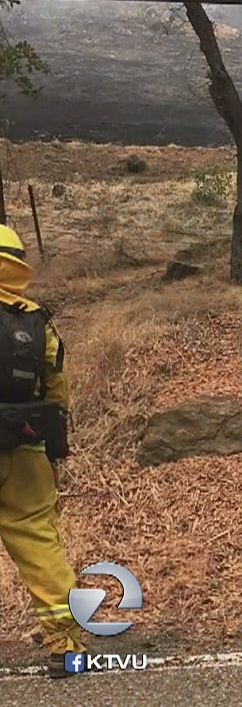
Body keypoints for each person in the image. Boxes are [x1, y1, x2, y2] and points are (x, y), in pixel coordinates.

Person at [0, 224, 88, 679]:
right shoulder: (37, 323)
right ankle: (66, 644)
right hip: (26, 450)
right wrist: (53, 450)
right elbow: (59, 392)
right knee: (38, 542)